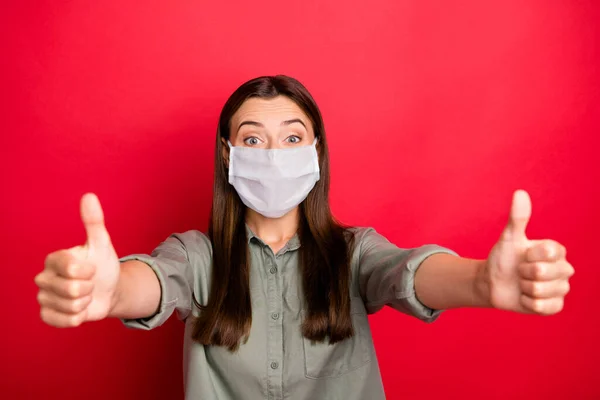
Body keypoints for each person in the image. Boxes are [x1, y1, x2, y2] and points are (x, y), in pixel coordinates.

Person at [34, 75, 574, 400]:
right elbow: (148, 281)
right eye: (253, 139)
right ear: (228, 155)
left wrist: (481, 281)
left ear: (315, 153)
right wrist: (109, 293)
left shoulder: (353, 253)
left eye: (292, 137)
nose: (273, 155)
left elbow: (407, 272)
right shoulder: (197, 256)